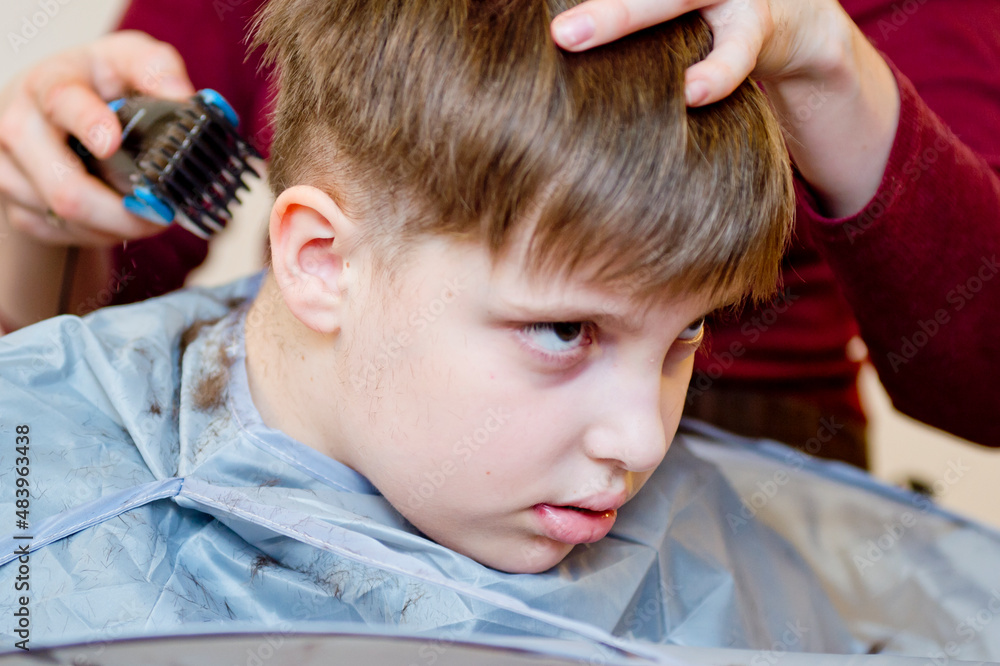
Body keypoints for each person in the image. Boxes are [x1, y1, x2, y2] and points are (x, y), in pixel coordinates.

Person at [1, 0, 997, 464]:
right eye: (563, 327)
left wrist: (827, 61)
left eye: (693, 329)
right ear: (317, 258)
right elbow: (103, 297)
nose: (633, 445)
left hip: (750, 488)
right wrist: (37, 209)